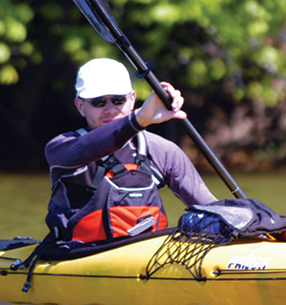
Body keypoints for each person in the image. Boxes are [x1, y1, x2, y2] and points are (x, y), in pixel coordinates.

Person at [45, 58, 217, 242]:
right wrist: (140, 119)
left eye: (118, 100)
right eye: (99, 102)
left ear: (132, 99)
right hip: (79, 255)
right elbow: (96, 144)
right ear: (81, 106)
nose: (110, 110)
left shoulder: (162, 151)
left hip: (147, 259)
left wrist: (243, 219)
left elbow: (210, 206)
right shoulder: (62, 148)